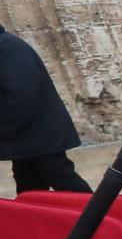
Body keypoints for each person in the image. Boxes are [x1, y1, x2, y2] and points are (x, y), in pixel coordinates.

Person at [1, 23, 90, 194]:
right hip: (27, 139)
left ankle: (98, 218)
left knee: (63, 181)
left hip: (38, 135)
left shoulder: (8, 48)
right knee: (30, 191)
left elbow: (21, 96)